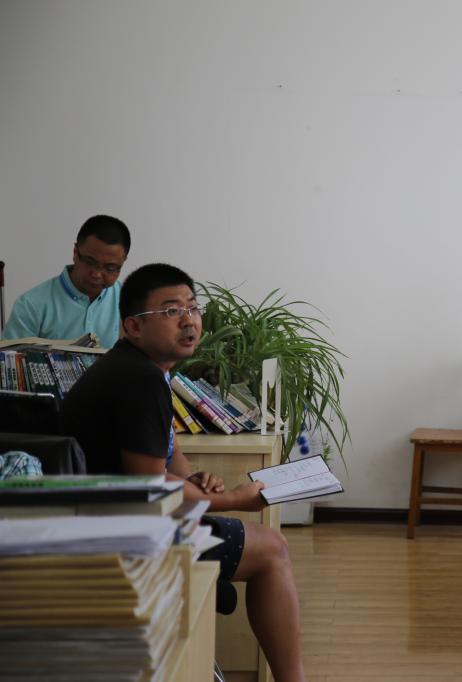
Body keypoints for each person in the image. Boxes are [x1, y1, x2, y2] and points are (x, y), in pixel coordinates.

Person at [61, 263, 306, 681]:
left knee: (267, 546)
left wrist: (196, 480)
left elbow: (166, 458)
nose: (189, 320)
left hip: (112, 518)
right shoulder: (140, 380)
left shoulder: (141, 369)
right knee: (272, 549)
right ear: (134, 326)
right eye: (172, 311)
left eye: (193, 307)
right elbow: (150, 485)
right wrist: (233, 499)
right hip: (123, 534)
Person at [2, 215, 130, 348]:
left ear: (123, 262)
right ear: (75, 252)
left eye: (110, 268)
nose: (96, 274)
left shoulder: (128, 302)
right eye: (89, 262)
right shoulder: (30, 305)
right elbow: (11, 357)